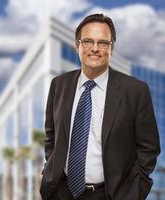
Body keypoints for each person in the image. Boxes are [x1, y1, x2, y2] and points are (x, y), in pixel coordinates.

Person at [40, 13, 160, 200]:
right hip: (61, 192)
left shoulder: (135, 91)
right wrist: (50, 171)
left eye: (103, 43)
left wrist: (132, 194)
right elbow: (51, 135)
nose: (95, 49)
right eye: (88, 41)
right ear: (77, 45)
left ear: (111, 48)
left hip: (110, 194)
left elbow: (148, 149)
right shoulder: (59, 84)